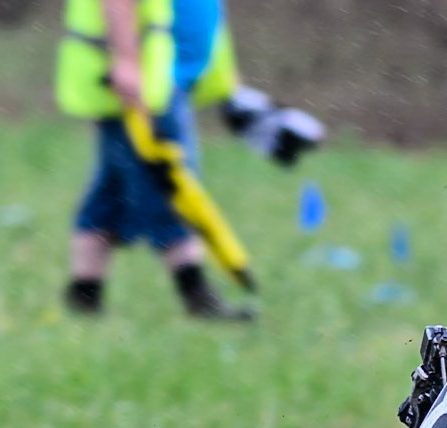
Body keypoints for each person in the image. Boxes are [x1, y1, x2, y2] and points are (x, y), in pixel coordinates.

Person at [56, 0, 315, 319]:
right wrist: (126, 60)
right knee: (171, 183)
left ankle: (84, 297)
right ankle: (199, 300)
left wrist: (232, 89)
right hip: (145, 81)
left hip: (157, 76)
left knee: (111, 191)